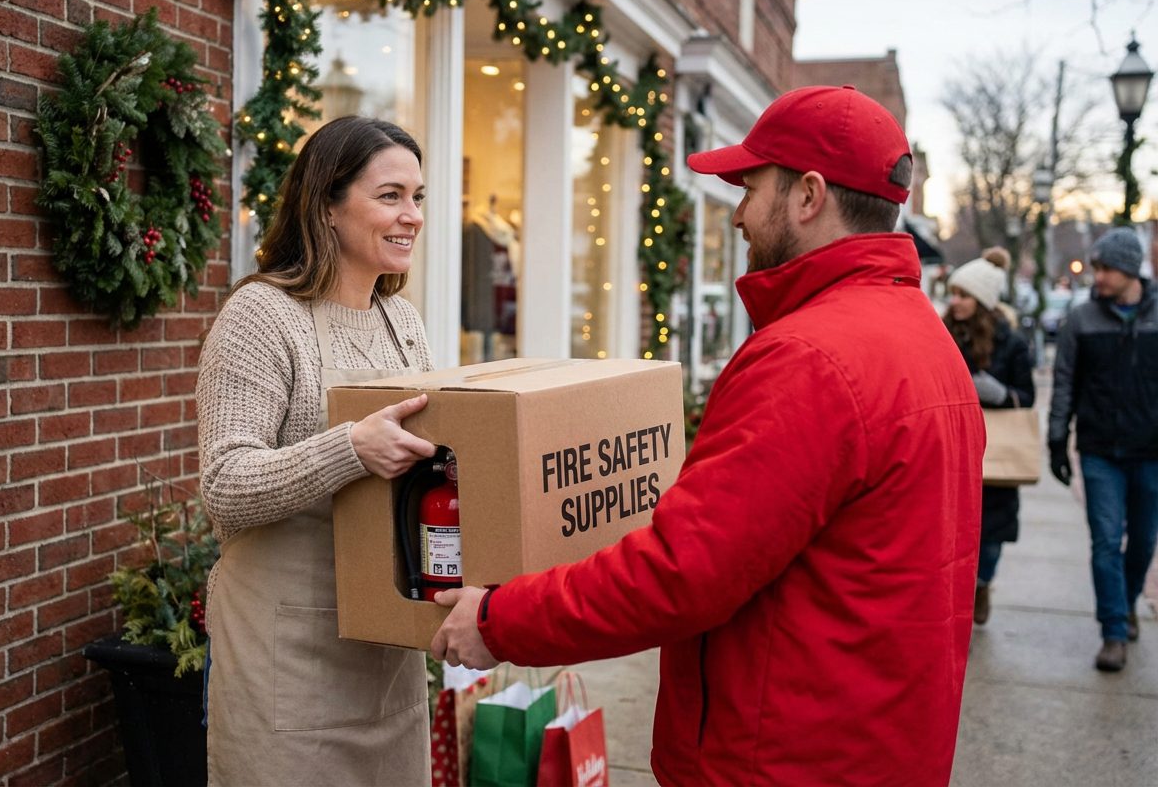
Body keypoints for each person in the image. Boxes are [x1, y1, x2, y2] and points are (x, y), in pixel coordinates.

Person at [432, 86, 985, 786]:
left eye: (751, 187)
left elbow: (683, 573)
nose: (740, 215)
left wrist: (499, 620)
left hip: (782, 755)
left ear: (808, 196)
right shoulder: (924, 339)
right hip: (876, 742)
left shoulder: (809, 360)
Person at [196, 116, 438, 784]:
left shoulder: (403, 322)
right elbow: (224, 484)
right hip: (288, 656)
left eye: (418, 197)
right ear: (327, 206)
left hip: (385, 645)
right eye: (390, 196)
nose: (411, 216)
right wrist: (351, 449)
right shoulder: (261, 317)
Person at [1048, 226, 1158, 673]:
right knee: (1106, 541)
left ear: (1129, 269)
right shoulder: (1082, 319)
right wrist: (1057, 438)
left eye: (1105, 268)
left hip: (1151, 451)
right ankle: (1113, 630)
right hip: (1099, 451)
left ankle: (1128, 601)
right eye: (1096, 268)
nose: (1098, 277)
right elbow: (1064, 382)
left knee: (1144, 541)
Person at [944, 257, 1035, 625]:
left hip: (997, 453)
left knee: (992, 534)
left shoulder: (1010, 343)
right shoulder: (942, 332)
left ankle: (982, 584)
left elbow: (1025, 396)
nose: (955, 302)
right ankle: (960, 592)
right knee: (951, 526)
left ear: (981, 300)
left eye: (963, 294)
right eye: (952, 293)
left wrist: (999, 394)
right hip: (953, 444)